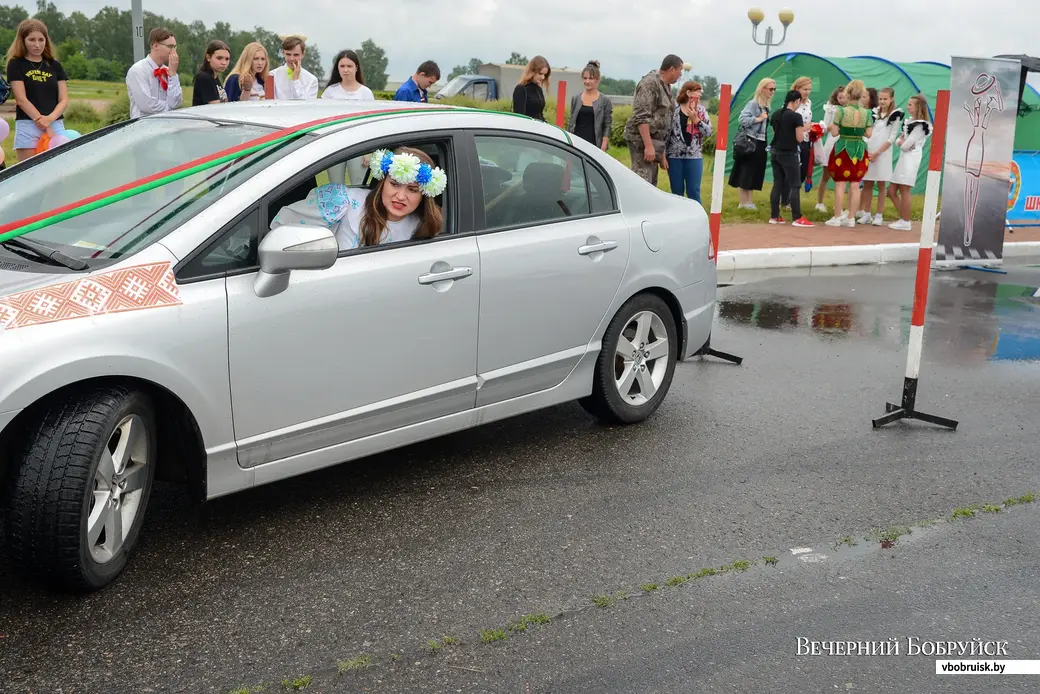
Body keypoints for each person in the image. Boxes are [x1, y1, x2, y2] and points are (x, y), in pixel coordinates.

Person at [270, 147, 447, 250]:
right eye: (394, 184)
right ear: (382, 181)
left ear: (425, 193)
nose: (401, 196)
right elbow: (283, 227)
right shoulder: (343, 201)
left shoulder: (423, 227)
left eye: (412, 189)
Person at [4, 18, 68, 161]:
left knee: (60, 172)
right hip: (28, 125)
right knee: (29, 174)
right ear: (23, 40)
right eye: (32, 40)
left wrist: (50, 120)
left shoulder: (54, 65)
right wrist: (43, 123)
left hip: (55, 124)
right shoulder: (16, 64)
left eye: (41, 39)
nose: (37, 45)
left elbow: (63, 99)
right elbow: (21, 99)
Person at [624, 54, 684, 185]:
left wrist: (661, 155)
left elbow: (664, 120)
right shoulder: (650, 84)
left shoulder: (666, 86)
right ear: (672, 69)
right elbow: (641, 117)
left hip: (654, 142)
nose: (680, 75)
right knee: (642, 182)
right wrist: (648, 146)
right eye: (680, 71)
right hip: (641, 142)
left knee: (651, 184)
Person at [824, 80, 874, 228]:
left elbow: (834, 132)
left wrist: (834, 126)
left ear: (848, 93)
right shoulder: (867, 113)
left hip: (843, 147)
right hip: (859, 149)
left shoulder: (841, 111)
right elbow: (869, 134)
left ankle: (837, 216)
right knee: (855, 184)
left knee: (840, 184)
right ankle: (851, 218)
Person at [768, 89, 813, 227]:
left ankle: (774, 216)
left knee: (777, 183)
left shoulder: (776, 114)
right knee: (794, 185)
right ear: (797, 101)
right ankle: (797, 217)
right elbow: (799, 138)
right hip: (789, 153)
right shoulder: (796, 117)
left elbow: (775, 132)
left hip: (775, 152)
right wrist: (805, 128)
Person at [728, 78, 775, 209]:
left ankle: (749, 201)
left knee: (754, 172)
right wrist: (758, 119)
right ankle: (743, 202)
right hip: (750, 141)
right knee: (745, 172)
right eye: (770, 89)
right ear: (762, 89)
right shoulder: (753, 104)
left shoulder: (765, 106)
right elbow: (742, 119)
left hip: (760, 142)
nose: (772, 92)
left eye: (774, 90)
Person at [858, 87, 903, 225]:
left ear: (891, 99)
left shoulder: (896, 115)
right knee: (867, 183)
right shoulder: (873, 113)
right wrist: (867, 149)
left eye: (885, 99)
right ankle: (866, 213)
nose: (882, 102)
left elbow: (891, 138)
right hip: (869, 151)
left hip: (883, 154)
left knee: (881, 184)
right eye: (881, 99)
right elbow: (867, 132)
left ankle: (879, 215)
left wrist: (878, 153)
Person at [887, 94, 931, 230]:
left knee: (904, 189)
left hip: (911, 159)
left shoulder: (920, 126)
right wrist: (901, 141)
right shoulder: (910, 122)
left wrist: (901, 142)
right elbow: (901, 142)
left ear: (918, 107)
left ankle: (905, 221)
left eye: (910, 104)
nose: (907, 106)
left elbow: (906, 145)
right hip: (904, 158)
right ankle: (904, 218)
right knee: (892, 191)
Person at [665, 80, 712, 203]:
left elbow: (708, 132)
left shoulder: (701, 111)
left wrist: (696, 120)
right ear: (688, 92)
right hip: (674, 156)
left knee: (694, 190)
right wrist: (662, 155)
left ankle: (698, 218)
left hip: (694, 156)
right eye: (698, 92)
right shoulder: (673, 109)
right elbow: (666, 133)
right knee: (676, 191)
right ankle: (678, 218)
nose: (700, 95)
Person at [125, 28, 182, 119]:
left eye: (175, 47)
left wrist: (173, 74)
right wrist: (171, 110)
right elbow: (147, 105)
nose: (174, 51)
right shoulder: (138, 70)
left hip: (166, 126)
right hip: (143, 127)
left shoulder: (169, 71)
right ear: (155, 46)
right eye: (170, 47)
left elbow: (176, 103)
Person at [814, 85, 847, 213]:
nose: (842, 100)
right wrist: (833, 126)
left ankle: (838, 205)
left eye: (845, 97)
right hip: (831, 143)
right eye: (840, 97)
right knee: (825, 175)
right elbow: (825, 127)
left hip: (844, 143)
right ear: (836, 97)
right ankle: (820, 202)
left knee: (842, 177)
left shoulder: (851, 110)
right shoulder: (831, 109)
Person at [568, 60, 612, 151]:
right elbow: (571, 123)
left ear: (597, 79)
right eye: (585, 78)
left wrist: (603, 146)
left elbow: (607, 125)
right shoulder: (575, 99)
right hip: (576, 143)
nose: (587, 81)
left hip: (595, 144)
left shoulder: (604, 101)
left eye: (591, 78)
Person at [270, 35, 318, 100]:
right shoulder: (271, 76)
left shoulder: (312, 80)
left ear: (303, 54)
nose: (291, 58)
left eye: (296, 55)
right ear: (283, 53)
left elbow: (307, 107)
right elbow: (269, 104)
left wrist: (296, 80)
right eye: (288, 54)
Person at [791, 76, 814, 203]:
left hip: (806, 139)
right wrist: (802, 127)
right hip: (795, 139)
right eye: (805, 89)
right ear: (797, 88)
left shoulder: (809, 102)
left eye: (809, 89)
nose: (807, 92)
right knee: (794, 170)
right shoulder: (793, 103)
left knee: (803, 170)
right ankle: (786, 199)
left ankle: (794, 197)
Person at [192, 40, 231, 106]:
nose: (224, 63)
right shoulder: (204, 78)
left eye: (227, 59)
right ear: (208, 57)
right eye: (219, 58)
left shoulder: (214, 77)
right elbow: (216, 108)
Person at [512, 56, 550, 120]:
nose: (543, 77)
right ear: (532, 71)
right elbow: (519, 118)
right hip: (526, 128)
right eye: (540, 74)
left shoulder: (539, 89)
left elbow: (539, 114)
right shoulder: (521, 89)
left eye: (545, 75)